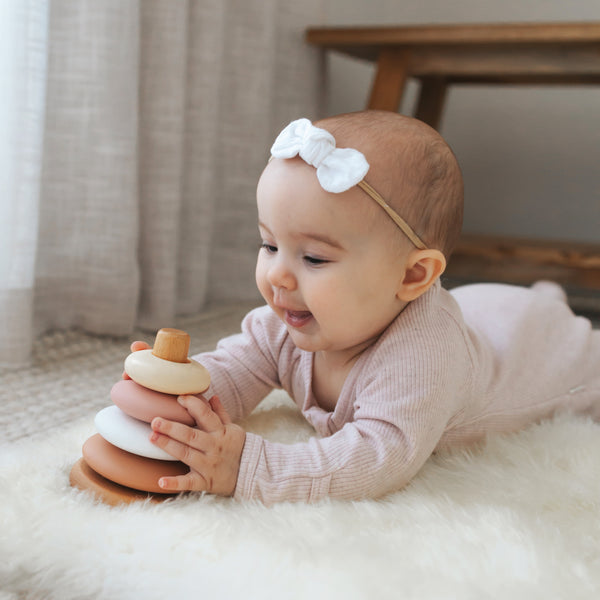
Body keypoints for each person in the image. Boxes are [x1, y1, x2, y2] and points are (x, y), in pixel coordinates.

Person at [136, 110, 600, 505]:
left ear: (413, 276)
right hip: (481, 307)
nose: (278, 274)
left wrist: (250, 466)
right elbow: (239, 364)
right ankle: (545, 289)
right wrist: (183, 394)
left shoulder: (422, 359)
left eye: (314, 257)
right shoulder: (291, 318)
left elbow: (380, 457)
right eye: (269, 244)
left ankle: (551, 299)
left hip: (539, 345)